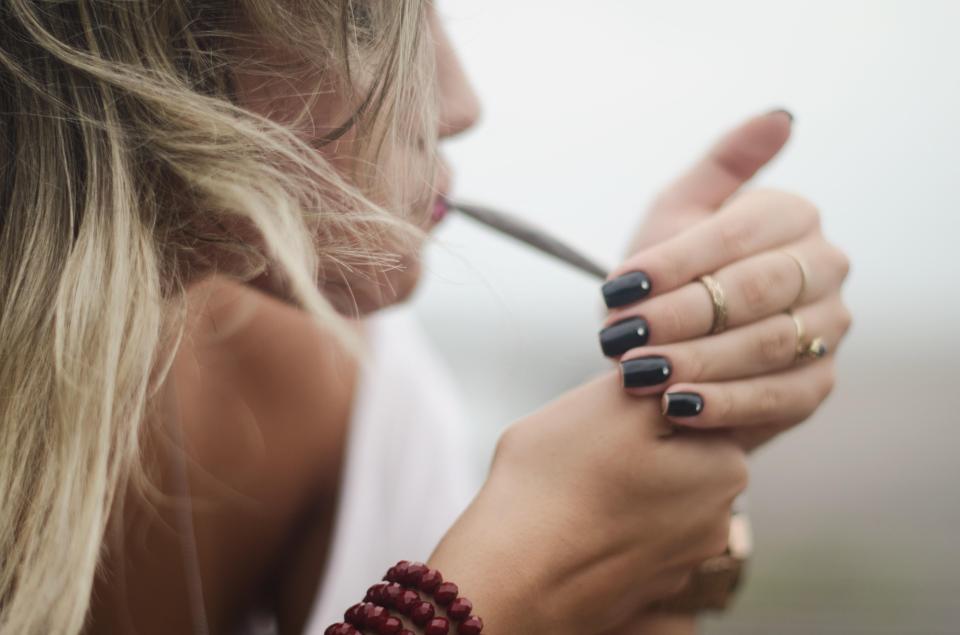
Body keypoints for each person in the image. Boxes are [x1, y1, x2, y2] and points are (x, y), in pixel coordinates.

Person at [0, 2, 851, 634]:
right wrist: (507, 588)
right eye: (373, 16)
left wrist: (657, 498)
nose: (462, 101)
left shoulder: (334, 376)